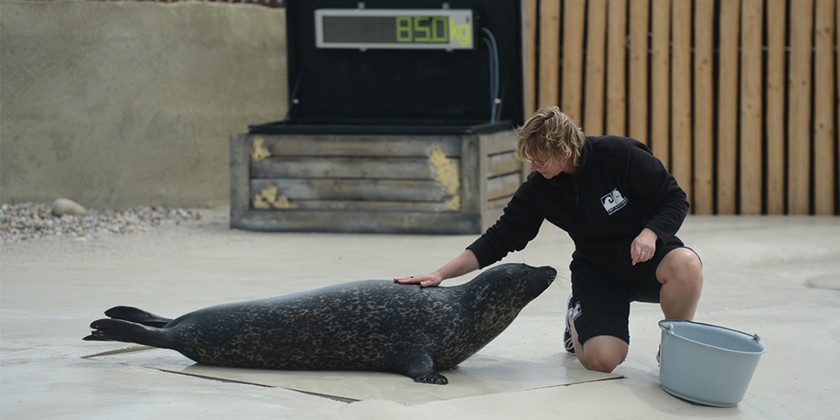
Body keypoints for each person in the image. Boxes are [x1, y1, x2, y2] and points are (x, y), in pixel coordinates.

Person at [394, 106, 703, 373]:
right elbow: (499, 239)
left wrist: (650, 232)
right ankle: (576, 315)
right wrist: (440, 273)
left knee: (686, 264)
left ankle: (677, 345)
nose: (534, 168)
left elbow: (674, 199)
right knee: (603, 360)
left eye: (540, 161)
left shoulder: (620, 156)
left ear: (564, 150)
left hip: (647, 258)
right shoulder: (539, 189)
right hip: (600, 273)